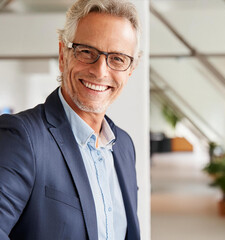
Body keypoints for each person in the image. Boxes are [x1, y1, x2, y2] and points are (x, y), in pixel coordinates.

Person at [0, 0, 141, 239]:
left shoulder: (124, 146)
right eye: (87, 52)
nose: (100, 71)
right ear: (63, 55)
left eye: (117, 58)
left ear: (130, 70)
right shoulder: (22, 137)